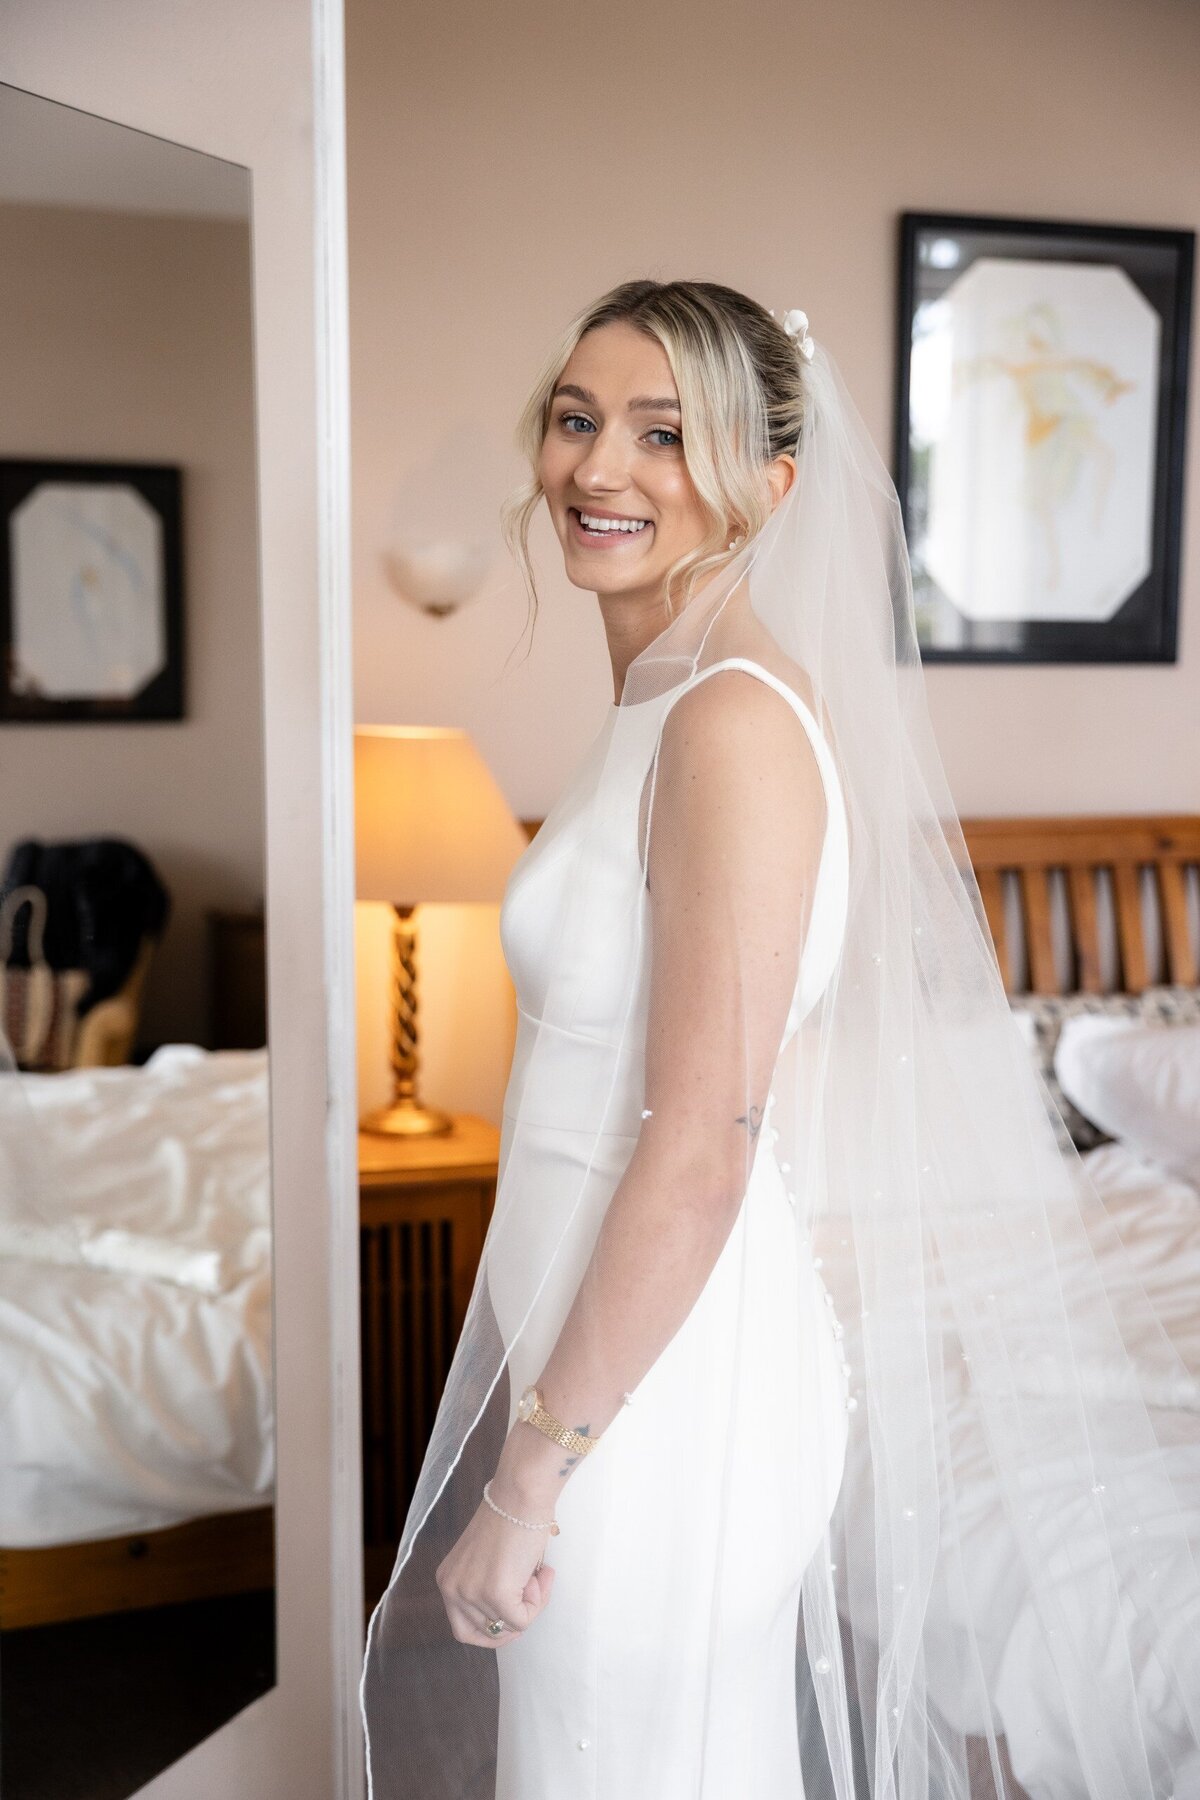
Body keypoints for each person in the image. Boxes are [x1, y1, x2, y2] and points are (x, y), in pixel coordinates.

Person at [361, 280, 1200, 1799]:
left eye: (665, 434)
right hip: (618, 1371)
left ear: (771, 485)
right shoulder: (658, 705)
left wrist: (533, 1477)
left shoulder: (732, 725)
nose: (600, 468)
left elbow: (701, 1145)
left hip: (661, 1406)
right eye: (577, 419)